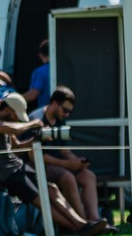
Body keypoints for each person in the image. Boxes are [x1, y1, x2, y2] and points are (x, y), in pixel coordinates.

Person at [0, 91, 107, 236]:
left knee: (51, 189)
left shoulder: (5, 126)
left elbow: (17, 147)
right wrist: (32, 124)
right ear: (8, 109)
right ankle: (80, 227)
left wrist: (37, 138)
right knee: (40, 200)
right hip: (3, 174)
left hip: (17, 168)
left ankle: (83, 223)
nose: (17, 119)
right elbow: (13, 129)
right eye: (16, 115)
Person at [37, 86, 105, 227]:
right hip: (40, 167)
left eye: (69, 111)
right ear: (54, 104)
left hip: (60, 165)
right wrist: (67, 164)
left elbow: (64, 151)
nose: (67, 114)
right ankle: (83, 223)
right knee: (67, 176)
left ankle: (95, 219)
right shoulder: (37, 119)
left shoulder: (61, 121)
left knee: (88, 175)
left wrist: (77, 161)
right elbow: (38, 156)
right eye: (65, 110)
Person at [25, 39, 53, 109]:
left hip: (46, 113)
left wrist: (13, 100)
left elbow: (33, 95)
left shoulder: (40, 72)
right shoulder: (63, 69)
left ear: (40, 55)